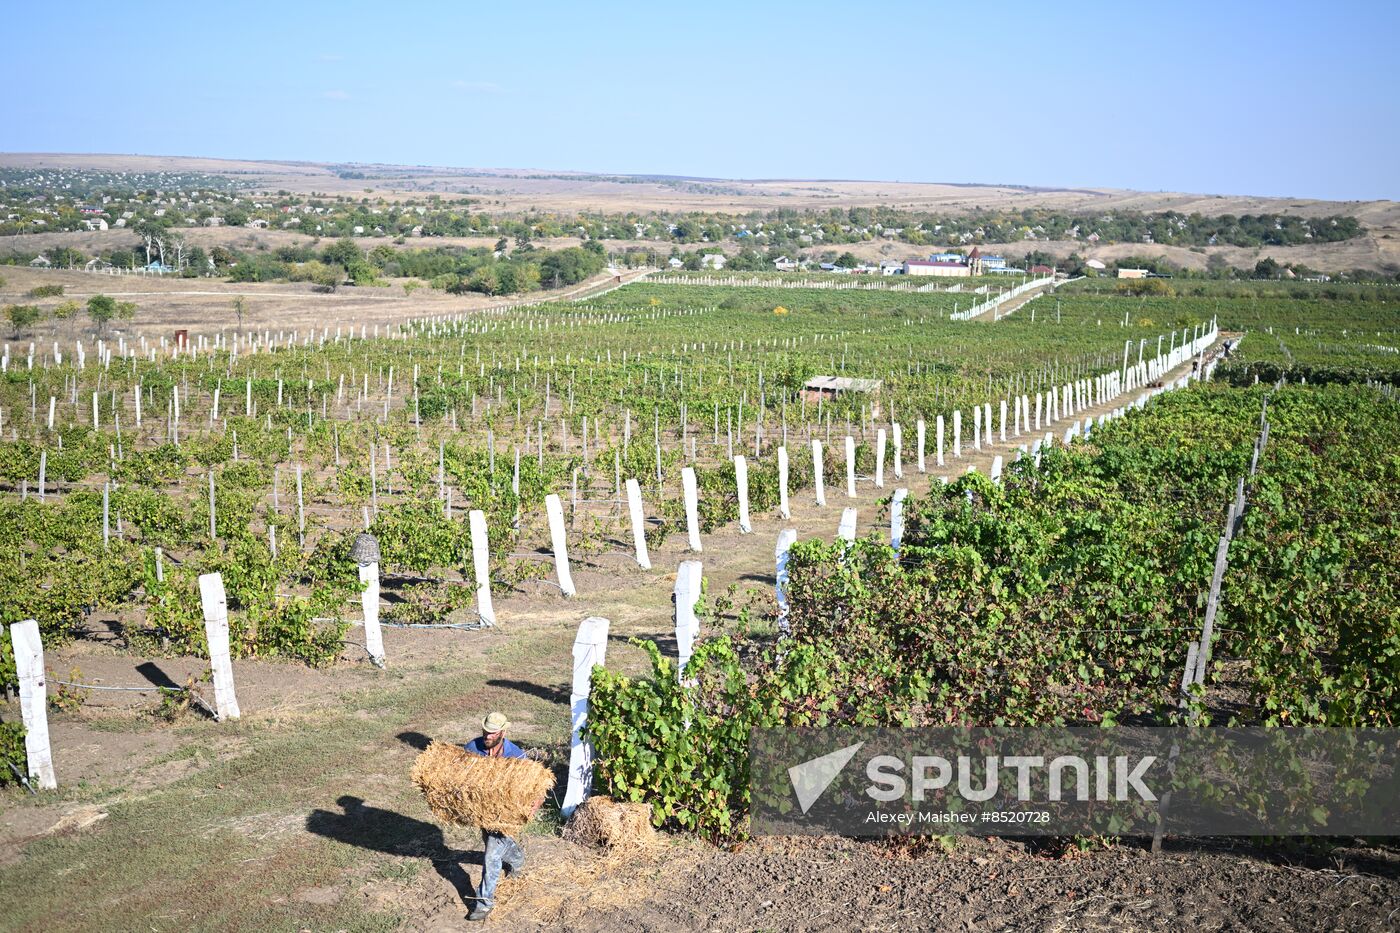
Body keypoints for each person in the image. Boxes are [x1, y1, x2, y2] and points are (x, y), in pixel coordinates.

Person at [461, 711, 532, 922]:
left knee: (491, 854)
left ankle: (484, 904)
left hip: (505, 814)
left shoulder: (515, 756)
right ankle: (518, 859)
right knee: (495, 844)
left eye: (492, 732)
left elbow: (531, 786)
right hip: (482, 811)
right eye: (486, 730)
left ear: (503, 732)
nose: (488, 735)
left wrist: (528, 810)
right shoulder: (472, 748)